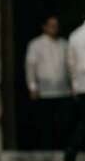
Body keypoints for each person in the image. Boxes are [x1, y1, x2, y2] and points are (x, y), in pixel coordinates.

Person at [25, 16, 73, 150]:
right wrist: (32, 87)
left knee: (63, 123)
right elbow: (30, 67)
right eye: (51, 25)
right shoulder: (36, 45)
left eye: (56, 25)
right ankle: (46, 150)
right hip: (44, 92)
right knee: (46, 125)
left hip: (63, 91)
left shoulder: (64, 44)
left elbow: (70, 66)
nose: (54, 28)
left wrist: (73, 86)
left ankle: (61, 149)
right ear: (44, 27)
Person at [66, 16, 85, 161]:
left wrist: (74, 85)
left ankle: (71, 152)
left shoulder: (75, 35)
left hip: (81, 85)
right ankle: (71, 151)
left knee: (83, 120)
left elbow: (71, 64)